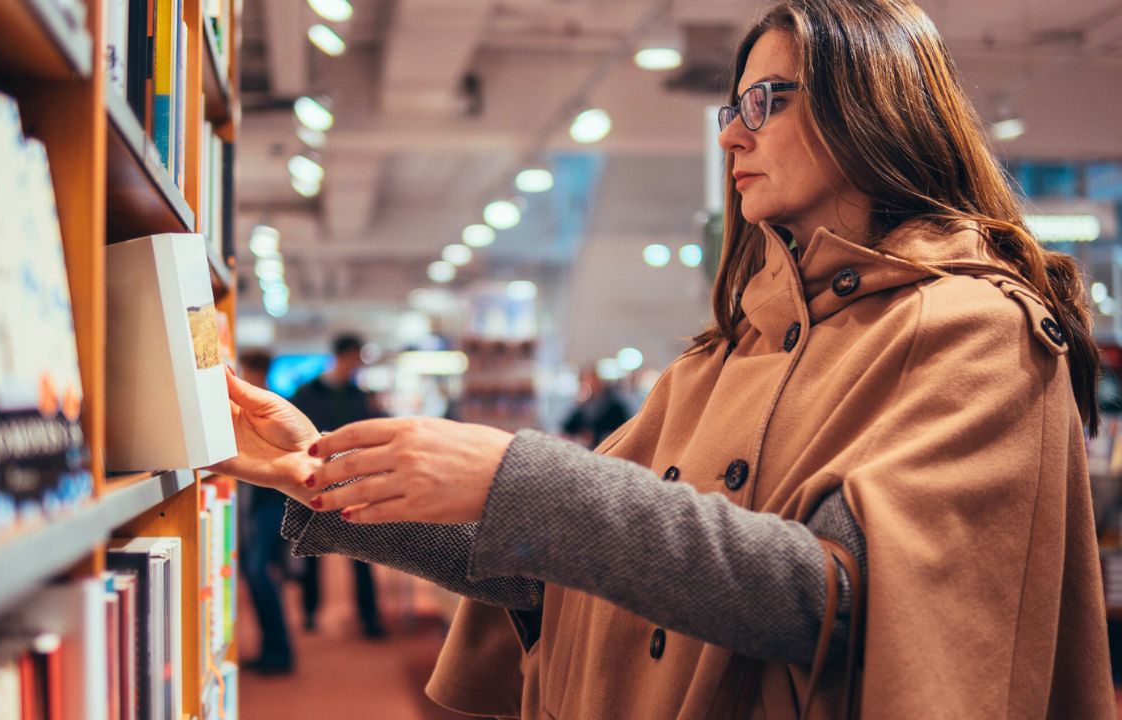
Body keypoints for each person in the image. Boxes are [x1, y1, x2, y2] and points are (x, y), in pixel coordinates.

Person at [211, 0, 1115, 715]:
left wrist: (521, 479)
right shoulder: (725, 352)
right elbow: (553, 556)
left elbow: (834, 602)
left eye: (766, 101)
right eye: (734, 107)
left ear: (871, 107)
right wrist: (323, 476)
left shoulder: (978, 331)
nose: (732, 136)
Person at [288, 333, 387, 639]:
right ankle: (309, 611)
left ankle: (369, 618)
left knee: (363, 553)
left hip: (356, 480)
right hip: (316, 480)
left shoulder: (360, 395)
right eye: (355, 357)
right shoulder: (307, 393)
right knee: (312, 551)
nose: (357, 363)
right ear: (344, 356)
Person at [234, 349, 294, 675]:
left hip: (271, 504)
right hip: (257, 505)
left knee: (259, 571)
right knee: (256, 572)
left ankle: (279, 650)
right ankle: (272, 647)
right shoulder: (259, 406)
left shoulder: (271, 407)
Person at [560, 367, 632, 448]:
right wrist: (577, 405)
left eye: (592, 380)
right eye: (586, 381)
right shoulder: (585, 404)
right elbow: (567, 427)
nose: (590, 384)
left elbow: (622, 428)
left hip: (607, 448)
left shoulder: (613, 403)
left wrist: (596, 435)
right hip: (588, 449)